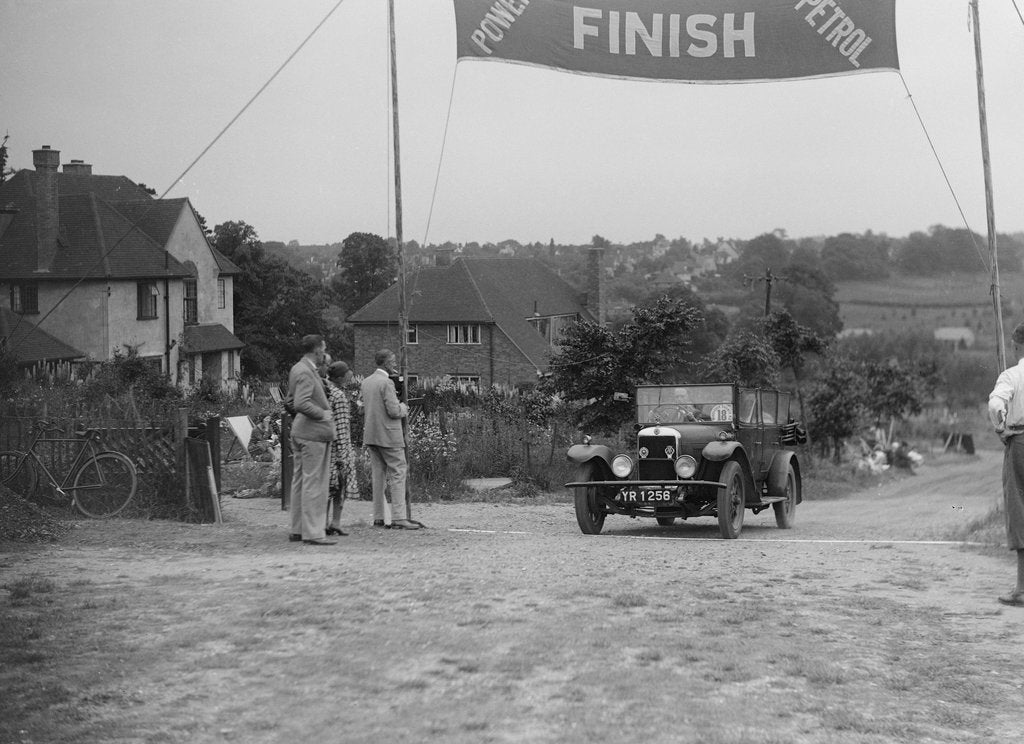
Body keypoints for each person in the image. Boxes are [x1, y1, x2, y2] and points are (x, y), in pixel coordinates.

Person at [360, 348, 419, 530]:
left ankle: (379, 517)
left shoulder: (366, 382)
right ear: (386, 363)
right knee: (398, 472)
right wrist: (404, 407)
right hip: (389, 435)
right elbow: (393, 411)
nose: (395, 364)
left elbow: (362, 407)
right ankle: (399, 517)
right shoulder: (386, 383)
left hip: (371, 434)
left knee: (378, 476)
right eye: (393, 361)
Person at [987, 322, 1024, 607]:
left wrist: (1001, 428)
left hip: (1020, 442)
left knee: (1019, 509)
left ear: (1016, 345)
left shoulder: (1012, 375)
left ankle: (1022, 589)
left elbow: (996, 404)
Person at [286, 334, 337, 545]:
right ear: (316, 350)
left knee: (300, 482)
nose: (324, 354)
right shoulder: (306, 372)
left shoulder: (298, 368)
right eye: (323, 349)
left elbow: (290, 400)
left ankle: (298, 529)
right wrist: (322, 414)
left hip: (301, 433)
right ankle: (313, 532)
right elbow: (301, 403)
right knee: (314, 483)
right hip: (312, 434)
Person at [325, 360, 359, 536]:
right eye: (347, 373)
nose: (350, 375)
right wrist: (342, 452)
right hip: (339, 448)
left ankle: (325, 522)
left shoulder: (325, 390)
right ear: (340, 377)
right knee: (339, 485)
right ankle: (335, 522)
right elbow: (341, 426)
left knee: (328, 487)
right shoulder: (338, 395)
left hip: (327, 447)